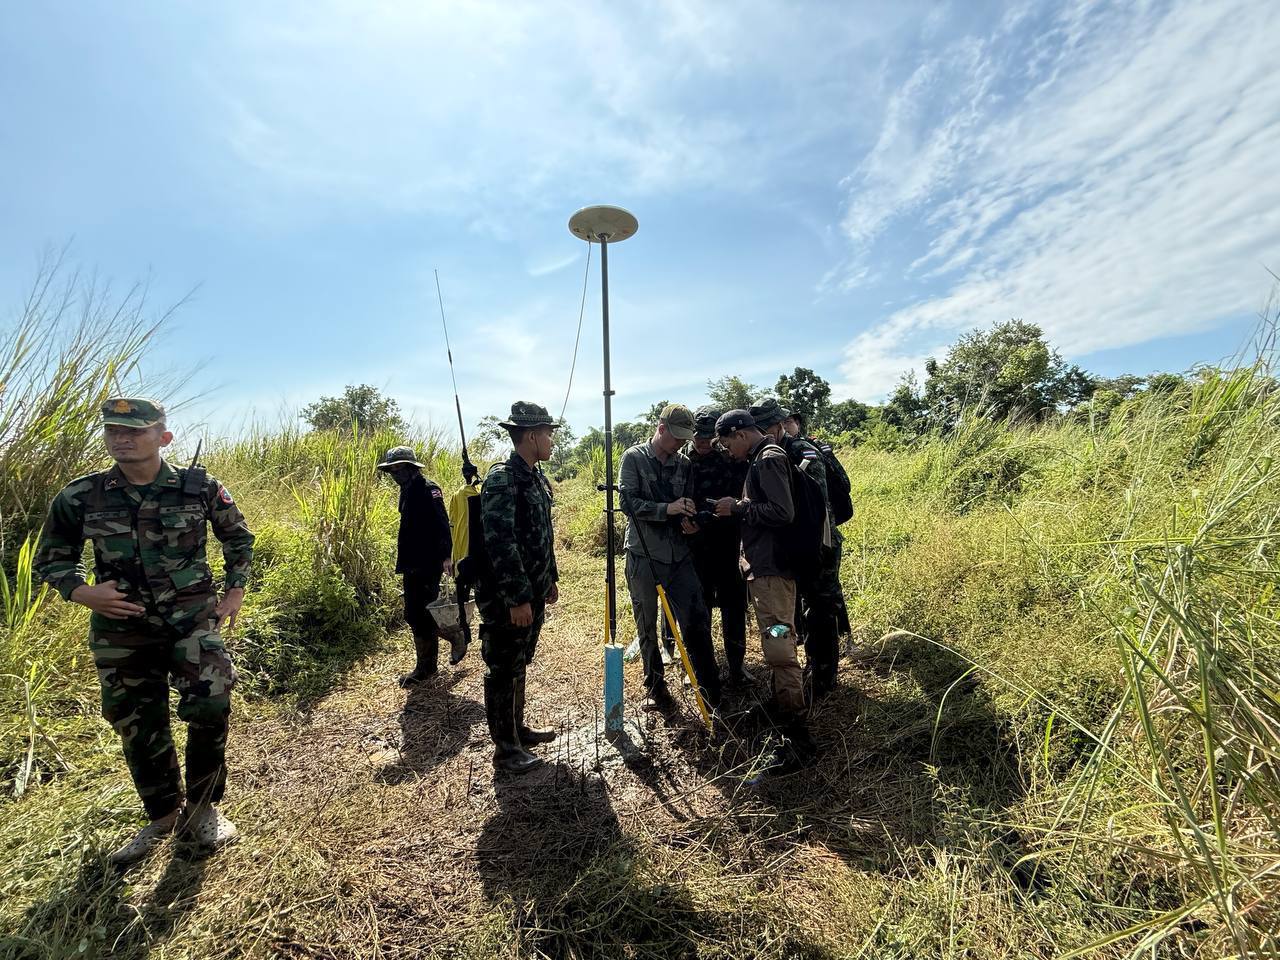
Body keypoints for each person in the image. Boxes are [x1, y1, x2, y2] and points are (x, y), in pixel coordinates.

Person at [34, 397, 254, 866]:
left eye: (133, 430)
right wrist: (81, 591)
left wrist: (234, 591)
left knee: (210, 701)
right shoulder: (81, 495)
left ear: (163, 437)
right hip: (122, 627)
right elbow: (51, 558)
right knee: (135, 720)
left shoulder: (200, 488)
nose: (121, 438)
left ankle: (202, 807)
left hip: (191, 619)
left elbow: (238, 538)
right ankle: (161, 814)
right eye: (113, 430)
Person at [714, 409, 815, 773]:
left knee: (780, 648)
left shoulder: (768, 459)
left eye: (727, 443)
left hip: (772, 573)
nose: (727, 451)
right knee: (776, 642)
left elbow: (781, 511)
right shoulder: (762, 458)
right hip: (766, 572)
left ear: (741, 433)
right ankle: (779, 705)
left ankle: (797, 736)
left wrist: (738, 508)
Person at [618, 404, 722, 713]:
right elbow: (628, 504)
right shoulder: (634, 458)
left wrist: (688, 519)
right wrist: (668, 510)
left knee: (697, 620)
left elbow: (686, 502)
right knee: (647, 626)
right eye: (676, 437)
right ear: (661, 428)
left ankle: (710, 691)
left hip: (679, 556)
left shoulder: (685, 464)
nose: (680, 444)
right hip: (644, 555)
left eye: (684, 439)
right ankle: (656, 687)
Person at [475, 401, 561, 774]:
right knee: (503, 667)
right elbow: (501, 543)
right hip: (508, 598)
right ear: (530, 436)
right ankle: (505, 750)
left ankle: (517, 730)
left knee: (519, 662)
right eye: (548, 434)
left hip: (533, 591)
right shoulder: (502, 479)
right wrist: (518, 598)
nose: (552, 441)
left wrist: (550, 580)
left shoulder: (534, 477)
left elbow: (543, 535)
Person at [754, 397, 840, 700]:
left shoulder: (802, 452)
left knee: (820, 609)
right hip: (798, 547)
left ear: (778, 426)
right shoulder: (773, 452)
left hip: (819, 545)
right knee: (796, 610)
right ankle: (804, 669)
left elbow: (816, 509)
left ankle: (824, 676)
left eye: (766, 427)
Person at [376, 445, 458, 686]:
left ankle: (442, 649)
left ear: (411, 468)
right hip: (411, 561)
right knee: (414, 614)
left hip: (428, 561)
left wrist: (446, 557)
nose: (394, 474)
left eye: (398, 468)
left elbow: (442, 523)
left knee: (422, 613)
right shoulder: (407, 489)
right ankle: (431, 662)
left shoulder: (428, 489)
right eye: (391, 470)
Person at [685, 405, 750, 687]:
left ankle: (737, 667)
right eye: (696, 436)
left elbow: (740, 498)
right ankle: (701, 669)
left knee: (733, 607)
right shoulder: (682, 461)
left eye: (705, 437)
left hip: (727, 545)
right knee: (698, 610)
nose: (700, 442)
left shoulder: (732, 458)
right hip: (696, 548)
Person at [782, 410, 852, 640]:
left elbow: (842, 483)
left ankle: (837, 641)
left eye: (788, 421)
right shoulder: (781, 451)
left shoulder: (807, 449)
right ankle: (815, 639)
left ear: (797, 424)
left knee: (823, 595)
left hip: (820, 536)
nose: (784, 426)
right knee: (816, 594)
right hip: (812, 537)